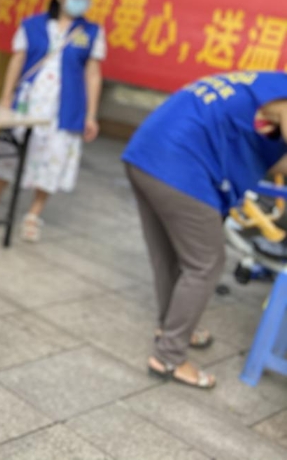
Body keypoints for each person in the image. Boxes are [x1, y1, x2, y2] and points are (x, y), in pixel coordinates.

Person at [123, 70, 287, 390]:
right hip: (179, 167)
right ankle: (169, 356)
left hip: (145, 154)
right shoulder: (281, 93)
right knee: (205, 263)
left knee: (170, 256)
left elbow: (276, 161)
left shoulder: (260, 84)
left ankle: (170, 329)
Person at [0, 0, 105, 242]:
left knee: (52, 159)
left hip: (65, 109)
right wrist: (7, 95)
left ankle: (34, 214)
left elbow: (93, 74)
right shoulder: (32, 25)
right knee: (11, 153)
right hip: (28, 103)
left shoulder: (92, 32)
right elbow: (18, 62)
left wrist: (91, 115)